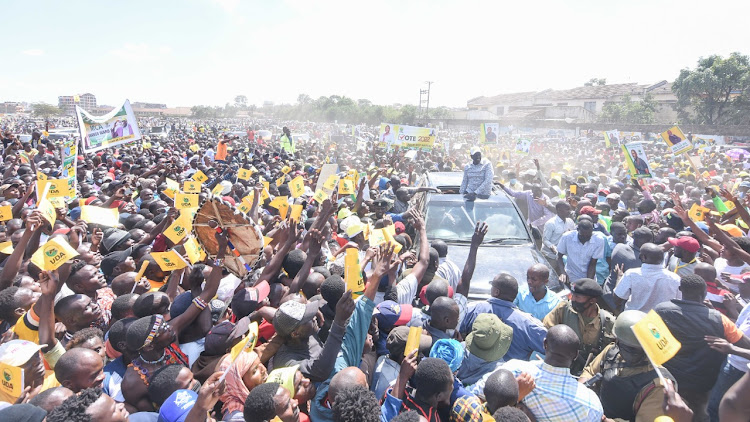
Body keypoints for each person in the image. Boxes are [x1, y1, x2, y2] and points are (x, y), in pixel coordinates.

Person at [654, 274, 750, 420]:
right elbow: (745, 344)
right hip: (703, 381)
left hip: (670, 375)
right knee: (699, 411)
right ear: (704, 293)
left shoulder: (660, 310)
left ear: (680, 289)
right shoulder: (719, 319)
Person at [579, 310, 676, 421]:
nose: (630, 352)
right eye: (626, 347)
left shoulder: (658, 386)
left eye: (635, 349)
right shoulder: (612, 352)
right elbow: (590, 371)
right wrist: (582, 390)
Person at [500, 325, 604, 422]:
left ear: (545, 344)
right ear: (576, 355)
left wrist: (513, 399)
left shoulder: (514, 371)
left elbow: (485, 401)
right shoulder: (592, 404)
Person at [461, 273, 547, 361]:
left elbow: (452, 330)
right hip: (511, 374)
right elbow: (553, 347)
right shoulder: (528, 323)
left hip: (470, 372)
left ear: (496, 292)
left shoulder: (472, 309)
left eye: (492, 285)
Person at [543, 278, 615, 376]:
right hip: (560, 368)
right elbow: (545, 329)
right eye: (573, 295)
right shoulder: (563, 309)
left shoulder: (608, 322)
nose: (573, 299)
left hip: (590, 374)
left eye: (578, 297)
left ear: (592, 300)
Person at [613, 243, 682, 312]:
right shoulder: (675, 278)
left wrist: (619, 277)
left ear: (643, 257)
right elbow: (679, 302)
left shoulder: (631, 274)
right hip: (661, 321)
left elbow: (617, 299)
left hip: (635, 319)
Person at [556, 220, 605, 285]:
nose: (585, 238)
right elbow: (559, 257)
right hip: (571, 277)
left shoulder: (599, 240)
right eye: (582, 236)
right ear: (577, 229)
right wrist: (563, 273)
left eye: (588, 236)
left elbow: (593, 264)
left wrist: (588, 282)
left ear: (592, 231)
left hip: (588, 277)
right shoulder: (567, 237)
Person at [541, 201, 575, 267]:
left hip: (565, 257)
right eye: (567, 209)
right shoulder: (551, 223)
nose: (569, 211)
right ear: (559, 210)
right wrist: (553, 247)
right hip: (551, 257)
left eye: (570, 209)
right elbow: (545, 240)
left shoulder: (570, 222)